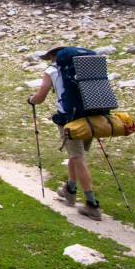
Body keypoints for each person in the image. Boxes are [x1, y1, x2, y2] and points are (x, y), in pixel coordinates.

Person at [28, 46, 102, 220]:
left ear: (54, 56)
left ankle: (92, 204)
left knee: (77, 157)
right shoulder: (83, 66)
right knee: (76, 154)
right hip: (92, 115)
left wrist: (31, 99)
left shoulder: (52, 70)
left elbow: (41, 96)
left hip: (70, 119)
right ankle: (70, 189)